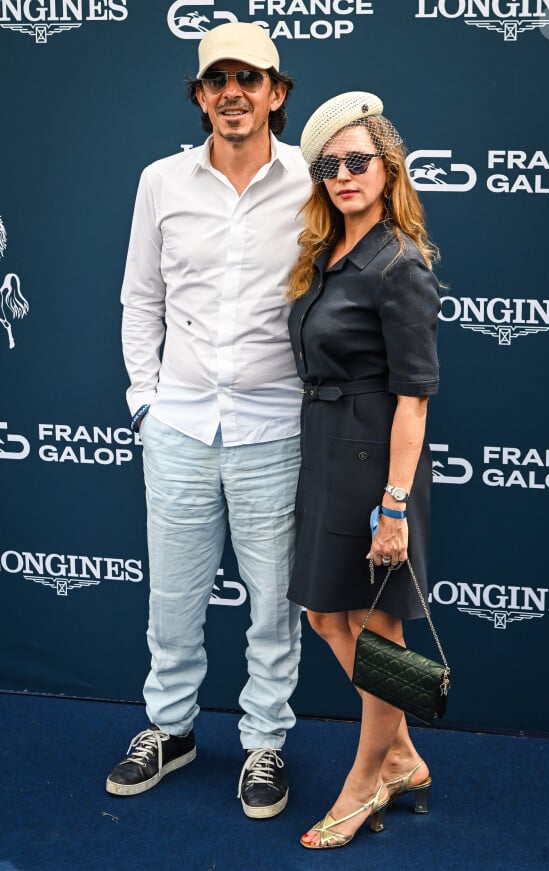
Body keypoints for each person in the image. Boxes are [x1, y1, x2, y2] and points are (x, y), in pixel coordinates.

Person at [107, 22, 311, 820]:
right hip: (180, 426)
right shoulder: (161, 180)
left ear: (277, 93)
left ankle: (265, 742)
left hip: (278, 427)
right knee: (174, 598)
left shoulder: (313, 179)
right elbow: (140, 299)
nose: (233, 92)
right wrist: (145, 403)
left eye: (249, 79)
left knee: (272, 604)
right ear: (200, 96)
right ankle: (171, 729)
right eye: (217, 79)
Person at [286, 92, 441, 849]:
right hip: (324, 449)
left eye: (358, 160)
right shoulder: (327, 254)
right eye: (329, 165)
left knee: (376, 628)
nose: (344, 174)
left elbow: (414, 402)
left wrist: (395, 505)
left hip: (376, 462)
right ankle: (405, 754)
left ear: (387, 166)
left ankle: (363, 781)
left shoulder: (399, 263)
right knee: (324, 615)